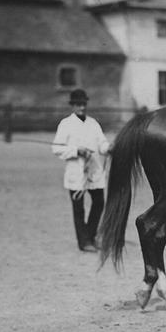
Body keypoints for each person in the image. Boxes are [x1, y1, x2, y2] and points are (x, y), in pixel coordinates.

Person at [52, 89, 110, 252]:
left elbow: (102, 143)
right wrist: (76, 150)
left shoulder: (93, 123)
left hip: (94, 171)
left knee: (99, 202)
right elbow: (56, 148)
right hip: (76, 172)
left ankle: (90, 236)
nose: (82, 107)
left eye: (84, 104)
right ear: (73, 106)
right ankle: (83, 242)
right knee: (79, 208)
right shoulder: (66, 124)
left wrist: (108, 148)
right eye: (78, 104)